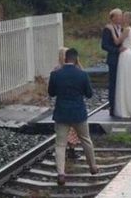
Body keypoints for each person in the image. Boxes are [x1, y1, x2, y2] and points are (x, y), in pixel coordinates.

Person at [48, 48, 98, 186]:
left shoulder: (55, 74)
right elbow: (89, 94)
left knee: (60, 144)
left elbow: (51, 93)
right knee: (86, 140)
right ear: (76, 59)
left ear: (65, 59)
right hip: (78, 113)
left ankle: (61, 174)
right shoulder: (82, 75)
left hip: (62, 113)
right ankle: (92, 166)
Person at [106, 11, 131, 118]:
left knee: (123, 81)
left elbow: (117, 42)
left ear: (127, 19)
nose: (122, 18)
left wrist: (111, 31)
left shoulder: (127, 29)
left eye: (124, 17)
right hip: (130, 54)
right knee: (129, 82)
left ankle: (124, 107)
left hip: (125, 55)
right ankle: (130, 106)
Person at [54, 47, 82, 159]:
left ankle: (71, 149)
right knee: (69, 129)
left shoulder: (58, 71)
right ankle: (70, 149)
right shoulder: (59, 70)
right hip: (71, 105)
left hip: (65, 105)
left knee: (70, 130)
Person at [101, 8, 126, 116]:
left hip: (125, 59)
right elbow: (104, 45)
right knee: (113, 83)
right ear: (113, 17)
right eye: (119, 16)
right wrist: (116, 50)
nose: (121, 18)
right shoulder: (108, 29)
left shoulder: (123, 28)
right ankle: (113, 107)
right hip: (114, 60)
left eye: (121, 16)